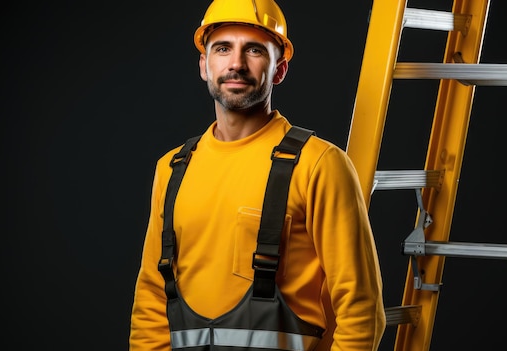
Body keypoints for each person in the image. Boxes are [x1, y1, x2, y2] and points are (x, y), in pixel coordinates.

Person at [129, 0, 386, 350]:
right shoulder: (173, 168)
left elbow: (361, 307)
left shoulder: (319, 165)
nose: (236, 64)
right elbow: (151, 302)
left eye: (253, 50)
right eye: (222, 48)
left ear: (279, 70)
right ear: (204, 65)